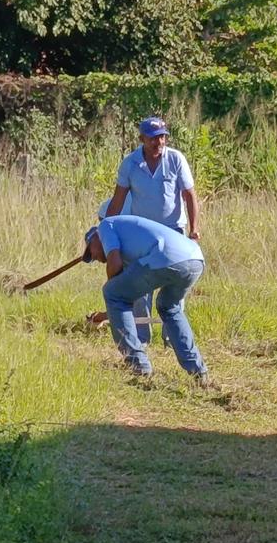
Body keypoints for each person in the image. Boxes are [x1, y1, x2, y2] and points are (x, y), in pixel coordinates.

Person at [83, 215, 208, 382]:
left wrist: (113, 292)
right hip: (194, 259)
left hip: (166, 256)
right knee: (168, 307)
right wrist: (105, 316)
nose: (96, 259)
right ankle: (199, 371)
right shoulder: (133, 247)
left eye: (91, 252)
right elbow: (131, 298)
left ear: (95, 239)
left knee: (111, 292)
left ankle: (139, 366)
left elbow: (115, 267)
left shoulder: (105, 226)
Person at [105, 116, 199, 239]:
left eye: (162, 137)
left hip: (173, 229)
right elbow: (117, 201)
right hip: (143, 230)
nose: (159, 142)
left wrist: (193, 229)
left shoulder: (176, 159)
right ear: (142, 139)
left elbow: (189, 195)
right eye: (153, 138)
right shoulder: (130, 163)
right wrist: (105, 231)